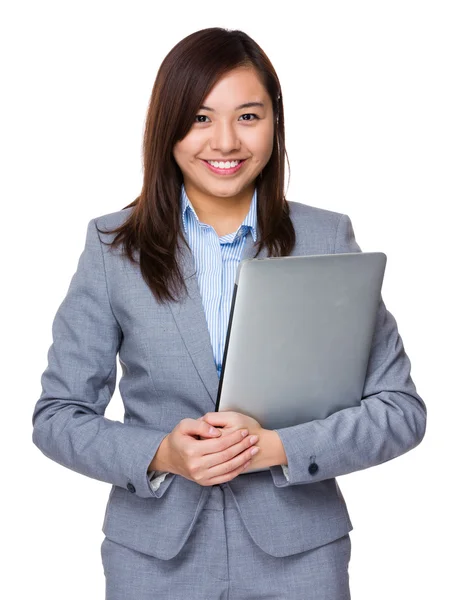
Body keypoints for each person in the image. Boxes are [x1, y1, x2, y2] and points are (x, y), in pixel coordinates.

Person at [32, 27, 426, 600]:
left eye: (248, 116)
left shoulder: (327, 238)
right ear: (166, 127)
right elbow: (58, 416)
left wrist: (279, 448)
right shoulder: (113, 246)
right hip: (154, 558)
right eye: (199, 118)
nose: (224, 142)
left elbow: (400, 410)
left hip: (301, 557)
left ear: (274, 121)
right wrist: (161, 453)